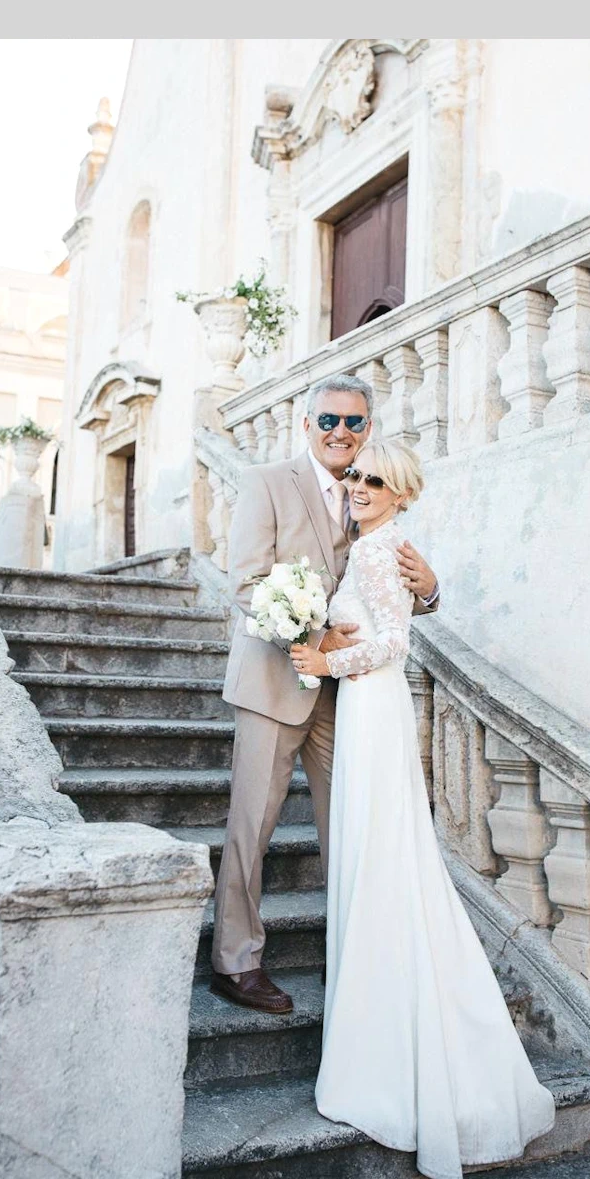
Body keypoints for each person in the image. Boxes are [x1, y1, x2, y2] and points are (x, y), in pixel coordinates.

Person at [289, 439, 556, 1179]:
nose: (360, 487)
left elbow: (394, 643)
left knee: (382, 862)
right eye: (356, 478)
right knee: (384, 861)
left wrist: (322, 662)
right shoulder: (370, 545)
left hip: (372, 709)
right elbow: (387, 620)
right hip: (371, 714)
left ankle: (385, 1063)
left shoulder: (383, 549)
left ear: (402, 492)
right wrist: (333, 637)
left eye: (376, 480)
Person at [210, 375, 440, 1014]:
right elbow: (246, 583)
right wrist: (314, 632)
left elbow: (386, 600)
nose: (342, 432)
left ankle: (358, 958)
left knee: (355, 826)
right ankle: (236, 961)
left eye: (355, 422)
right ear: (307, 423)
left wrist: (429, 590)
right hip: (273, 681)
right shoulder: (267, 482)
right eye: (330, 420)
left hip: (348, 697)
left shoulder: (372, 491)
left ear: (370, 429)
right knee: (252, 826)